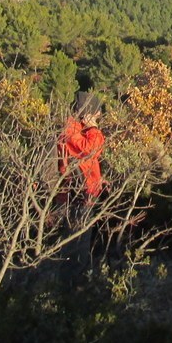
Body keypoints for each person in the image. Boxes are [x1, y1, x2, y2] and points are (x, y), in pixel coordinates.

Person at [56, 91, 106, 279]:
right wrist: (94, 128)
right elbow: (90, 149)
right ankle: (73, 282)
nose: (99, 116)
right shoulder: (71, 130)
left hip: (81, 191)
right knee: (78, 238)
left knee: (78, 237)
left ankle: (73, 277)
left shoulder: (74, 128)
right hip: (80, 192)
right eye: (96, 112)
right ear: (86, 112)